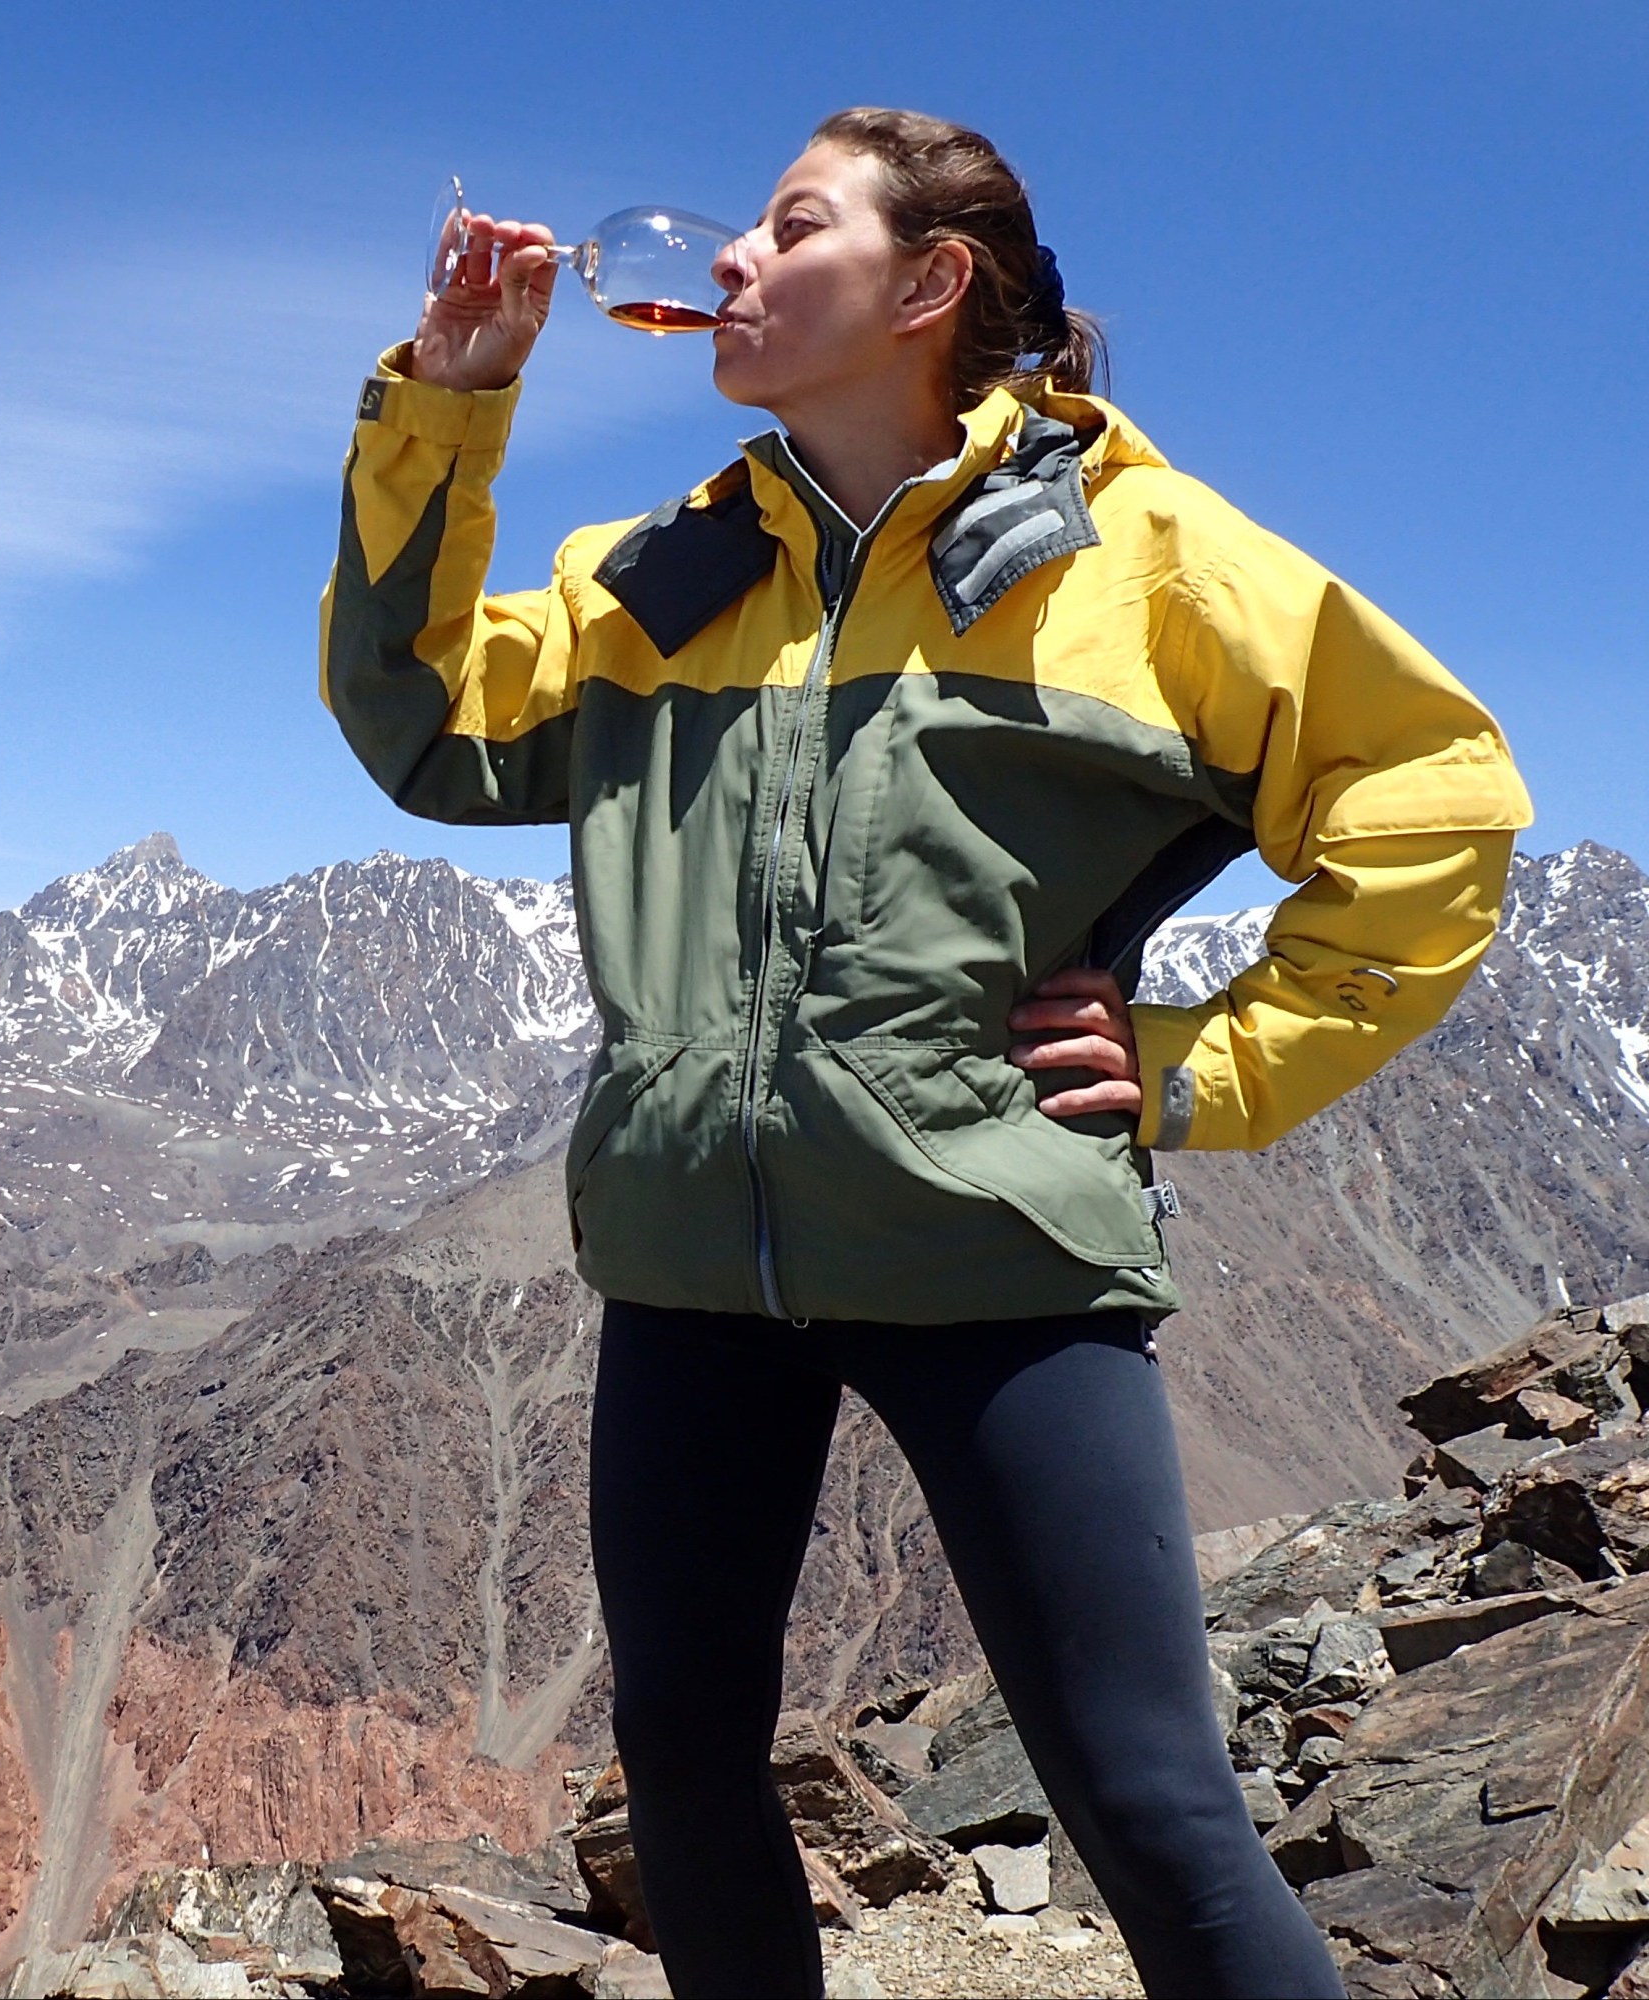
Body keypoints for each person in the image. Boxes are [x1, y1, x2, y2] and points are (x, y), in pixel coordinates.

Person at [320, 106, 1531, 2000]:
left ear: (930, 283)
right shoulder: (668, 574)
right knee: (685, 1765)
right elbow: (424, 723)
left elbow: (1431, 796)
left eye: (790, 224)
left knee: (1146, 1798)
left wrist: (1209, 1062)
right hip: (692, 1274)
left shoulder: (1141, 561)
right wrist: (452, 404)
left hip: (995, 1260)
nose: (729, 256)